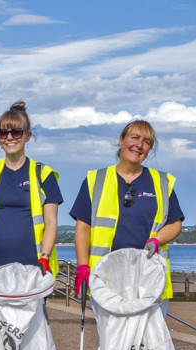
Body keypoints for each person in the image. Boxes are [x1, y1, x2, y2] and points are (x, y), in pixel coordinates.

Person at [70, 120, 184, 317]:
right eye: (134, 138)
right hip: (106, 276)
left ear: (150, 149)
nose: (139, 145)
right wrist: (82, 267)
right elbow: (83, 227)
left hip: (149, 276)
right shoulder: (95, 180)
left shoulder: (163, 182)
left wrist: (158, 239)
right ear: (121, 141)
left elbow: (175, 223)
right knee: (111, 343)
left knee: (148, 344)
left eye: (146, 142)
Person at [0, 102, 62, 288]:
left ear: (27, 136)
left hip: (32, 265)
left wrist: (45, 257)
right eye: (3, 133)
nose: (9, 138)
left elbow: (51, 221)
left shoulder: (43, 174)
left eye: (16, 132)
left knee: (33, 317)